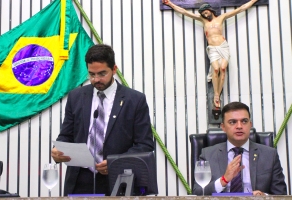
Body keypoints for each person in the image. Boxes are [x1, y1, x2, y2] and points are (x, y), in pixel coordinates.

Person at [51, 44, 154, 196]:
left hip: (118, 180)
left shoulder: (135, 100)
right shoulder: (76, 97)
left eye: (102, 74)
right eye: (91, 74)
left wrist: (115, 162)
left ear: (114, 69)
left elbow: (144, 145)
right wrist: (57, 152)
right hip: (80, 181)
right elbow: (66, 135)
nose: (96, 79)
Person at [162, 0, 258, 108]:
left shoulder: (221, 18)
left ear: (210, 10)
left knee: (222, 69)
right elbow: (184, 11)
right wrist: (170, 4)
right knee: (215, 69)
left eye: (205, 12)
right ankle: (216, 94)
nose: (204, 14)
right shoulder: (203, 20)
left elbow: (241, 8)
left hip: (223, 46)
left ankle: (217, 94)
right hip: (212, 48)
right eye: (202, 13)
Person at [193, 101, 287, 195]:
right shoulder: (208, 154)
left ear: (250, 125)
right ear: (223, 127)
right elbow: (198, 193)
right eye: (232, 122)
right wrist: (223, 180)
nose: (239, 126)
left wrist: (263, 196)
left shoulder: (270, 155)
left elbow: (281, 195)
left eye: (244, 121)